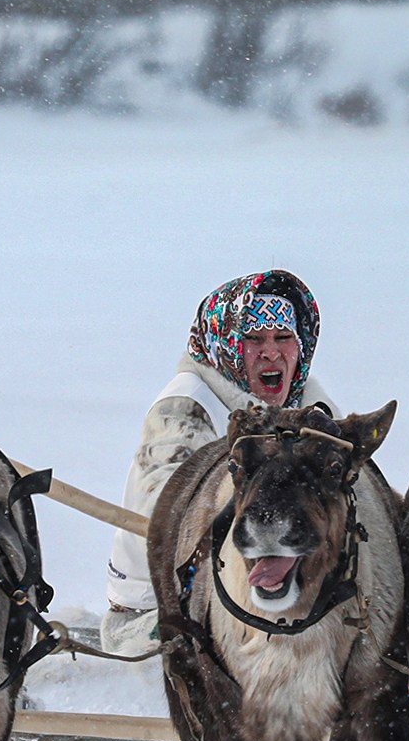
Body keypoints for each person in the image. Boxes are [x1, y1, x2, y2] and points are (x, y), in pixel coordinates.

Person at [102, 269, 333, 656]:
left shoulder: (310, 412)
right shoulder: (186, 408)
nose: (271, 352)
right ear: (224, 343)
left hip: (263, 597)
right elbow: (166, 510)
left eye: (283, 337)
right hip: (165, 614)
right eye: (254, 338)